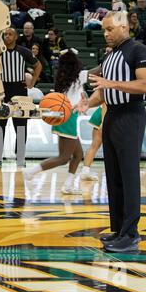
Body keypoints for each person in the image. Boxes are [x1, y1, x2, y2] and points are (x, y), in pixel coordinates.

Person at [75, 10, 146, 253]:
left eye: (109, 29)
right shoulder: (110, 57)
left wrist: (111, 84)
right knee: (114, 175)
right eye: (103, 30)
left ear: (124, 26)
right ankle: (119, 229)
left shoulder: (139, 51)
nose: (106, 34)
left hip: (131, 114)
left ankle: (131, 234)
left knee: (129, 176)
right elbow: (102, 91)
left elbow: (144, 85)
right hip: (111, 115)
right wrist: (88, 103)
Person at [24, 49, 89, 194]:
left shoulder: (63, 77)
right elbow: (99, 70)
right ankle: (31, 172)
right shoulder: (80, 76)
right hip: (69, 117)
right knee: (64, 158)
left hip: (63, 116)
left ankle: (68, 185)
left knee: (78, 155)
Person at [0, 27, 42, 167]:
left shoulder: (24, 51)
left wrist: (32, 82)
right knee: (0, 124)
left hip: (19, 91)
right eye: (5, 34)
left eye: (10, 34)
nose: (7, 36)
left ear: (16, 36)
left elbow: (38, 66)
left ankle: (20, 157)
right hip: (2, 90)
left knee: (21, 126)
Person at [80, 104, 106, 181]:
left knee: (95, 145)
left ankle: (85, 171)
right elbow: (105, 103)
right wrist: (104, 121)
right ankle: (85, 172)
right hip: (105, 113)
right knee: (95, 145)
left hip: (105, 113)